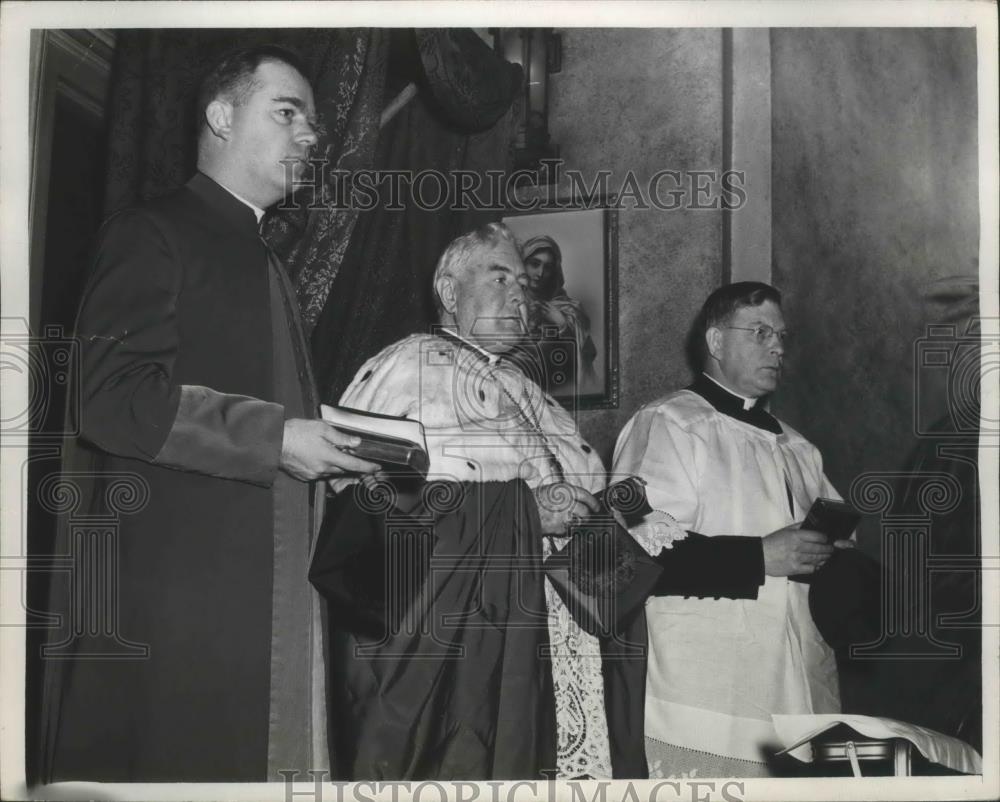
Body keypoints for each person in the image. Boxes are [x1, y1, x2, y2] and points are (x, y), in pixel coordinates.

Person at [315, 230, 834, 780]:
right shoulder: (408, 368)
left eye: (523, 281)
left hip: (552, 651)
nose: (520, 294)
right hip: (464, 652)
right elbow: (377, 521)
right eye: (499, 277)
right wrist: (523, 514)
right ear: (449, 290)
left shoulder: (529, 391)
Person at [38, 45, 379, 783]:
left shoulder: (264, 257)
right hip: (186, 601)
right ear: (221, 117)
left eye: (315, 124)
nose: (311, 136)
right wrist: (276, 437)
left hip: (266, 594)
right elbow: (111, 397)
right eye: (287, 113)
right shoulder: (149, 232)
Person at [612, 281, 852, 778]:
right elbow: (632, 552)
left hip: (796, 675)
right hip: (706, 682)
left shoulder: (800, 448)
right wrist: (760, 557)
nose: (779, 348)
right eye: (761, 332)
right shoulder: (668, 423)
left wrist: (835, 553)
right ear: (716, 342)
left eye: (782, 336)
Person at [519, 235, 598, 394]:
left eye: (547, 267)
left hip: (559, 390)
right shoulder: (508, 304)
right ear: (522, 265)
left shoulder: (569, 309)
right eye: (534, 264)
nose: (540, 273)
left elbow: (587, 355)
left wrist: (563, 325)